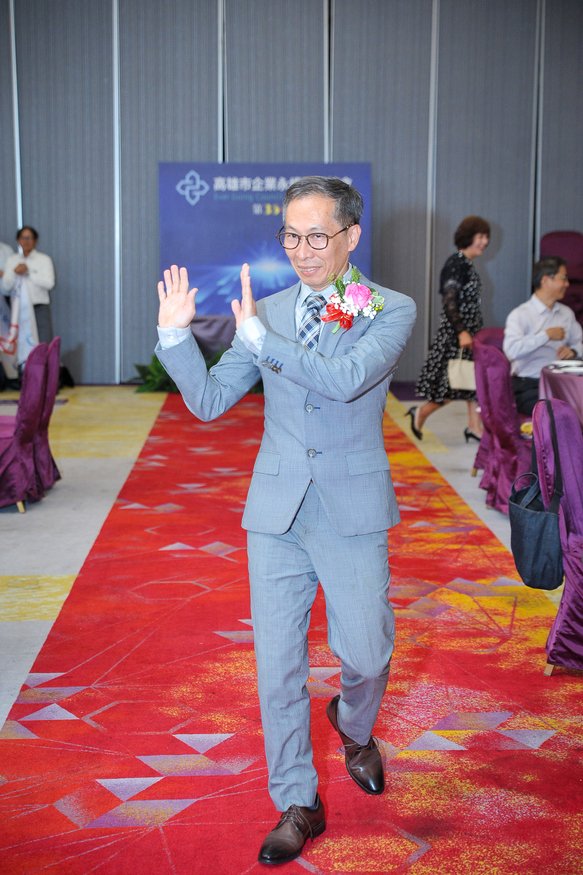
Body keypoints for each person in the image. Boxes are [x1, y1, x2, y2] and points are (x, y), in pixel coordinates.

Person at [155, 176, 416, 865]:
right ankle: (297, 800)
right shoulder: (264, 312)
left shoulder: (388, 308)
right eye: (291, 236)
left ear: (351, 236)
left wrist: (258, 339)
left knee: (368, 653)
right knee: (277, 669)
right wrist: (175, 336)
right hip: (275, 512)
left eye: (316, 236)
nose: (302, 251)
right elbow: (210, 401)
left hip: (351, 508)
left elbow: (345, 379)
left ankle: (353, 725)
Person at [408, 215, 490, 442]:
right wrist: (462, 331)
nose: (485, 241)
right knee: (451, 385)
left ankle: (474, 426)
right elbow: (449, 300)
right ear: (468, 237)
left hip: (468, 334)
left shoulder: (466, 263)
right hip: (457, 335)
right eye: (480, 236)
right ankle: (421, 412)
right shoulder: (456, 264)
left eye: (486, 237)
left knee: (471, 382)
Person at [503, 256, 583, 415]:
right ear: (546, 280)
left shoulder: (566, 313)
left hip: (562, 384)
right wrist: (545, 336)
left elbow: (579, 344)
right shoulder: (520, 314)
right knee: (557, 413)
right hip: (529, 385)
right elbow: (511, 351)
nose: (567, 284)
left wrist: (573, 351)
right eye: (563, 278)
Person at [1, 226, 56, 353]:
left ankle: (44, 366)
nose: (26, 241)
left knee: (43, 343)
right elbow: (5, 287)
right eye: (23, 238)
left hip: (39, 307)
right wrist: (14, 273)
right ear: (18, 240)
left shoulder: (44, 259)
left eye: (29, 238)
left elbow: (49, 284)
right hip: (18, 310)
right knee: (21, 345)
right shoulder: (12, 260)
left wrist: (28, 272)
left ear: (35, 240)